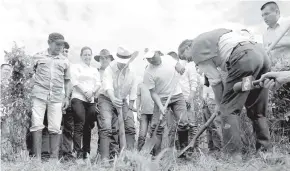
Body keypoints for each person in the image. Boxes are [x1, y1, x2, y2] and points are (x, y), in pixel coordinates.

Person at [178, 28, 272, 159]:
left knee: (228, 111)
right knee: (256, 109)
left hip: (243, 59)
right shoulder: (212, 38)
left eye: (186, 57)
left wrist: (220, 105)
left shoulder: (196, 49)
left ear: (188, 47)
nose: (190, 60)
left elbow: (215, 81)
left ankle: (233, 157)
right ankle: (264, 152)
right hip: (260, 57)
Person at [30, 33, 71, 161]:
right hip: (39, 95)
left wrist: (67, 98)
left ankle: (53, 160)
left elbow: (68, 81)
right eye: (57, 44)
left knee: (55, 126)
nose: (60, 47)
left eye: (62, 44)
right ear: (49, 42)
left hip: (57, 97)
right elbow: (29, 74)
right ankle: (36, 159)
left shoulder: (65, 60)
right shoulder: (37, 56)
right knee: (36, 124)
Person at [143, 50, 189, 156]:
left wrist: (180, 68)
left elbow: (178, 66)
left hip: (177, 95)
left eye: (153, 57)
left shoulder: (168, 59)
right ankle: (156, 155)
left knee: (183, 123)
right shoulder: (148, 72)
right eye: (148, 58)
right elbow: (153, 93)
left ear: (158, 53)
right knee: (157, 126)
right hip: (161, 98)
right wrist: (160, 106)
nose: (151, 60)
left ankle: (183, 152)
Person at [98, 47, 137, 161]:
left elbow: (133, 89)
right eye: (120, 62)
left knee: (130, 126)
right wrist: (113, 98)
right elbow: (108, 86)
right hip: (106, 98)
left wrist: (131, 105)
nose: (122, 64)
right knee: (107, 126)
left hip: (123, 100)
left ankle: (129, 156)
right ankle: (105, 158)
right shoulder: (109, 69)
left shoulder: (133, 72)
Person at [70, 46, 101, 160]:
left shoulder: (94, 70)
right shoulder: (76, 67)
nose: (87, 57)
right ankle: (77, 153)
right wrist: (85, 92)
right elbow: (75, 81)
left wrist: (92, 92)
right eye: (85, 54)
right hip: (78, 98)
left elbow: (98, 83)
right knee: (80, 123)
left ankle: (86, 153)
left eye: (89, 54)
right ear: (81, 56)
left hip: (90, 100)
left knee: (88, 125)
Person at [93, 49, 117, 158]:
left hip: (112, 100)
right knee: (103, 128)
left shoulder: (114, 71)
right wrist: (95, 102)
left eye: (106, 57)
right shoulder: (96, 72)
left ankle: (113, 154)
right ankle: (101, 154)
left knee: (113, 128)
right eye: (101, 58)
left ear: (110, 59)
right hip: (99, 101)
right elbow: (93, 88)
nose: (104, 60)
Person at [261, 1, 290, 68]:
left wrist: (281, 43)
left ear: (277, 12)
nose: (264, 18)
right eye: (263, 15)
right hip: (276, 70)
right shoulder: (265, 34)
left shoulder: (288, 23)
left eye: (266, 14)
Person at [136, 80, 154, 151]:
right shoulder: (140, 85)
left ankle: (154, 154)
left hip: (154, 113)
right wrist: (137, 111)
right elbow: (138, 99)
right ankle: (139, 152)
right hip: (144, 113)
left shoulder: (155, 83)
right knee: (142, 134)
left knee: (154, 134)